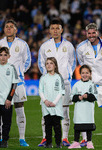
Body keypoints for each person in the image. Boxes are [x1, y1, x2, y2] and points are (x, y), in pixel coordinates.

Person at [76, 23, 102, 147]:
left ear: (97, 33)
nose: (91, 35)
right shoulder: (81, 47)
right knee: (85, 113)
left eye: (93, 33)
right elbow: (82, 67)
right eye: (89, 33)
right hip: (89, 85)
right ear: (86, 34)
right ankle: (84, 139)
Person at [0, 19, 31, 147]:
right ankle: (2, 139)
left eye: (11, 27)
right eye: (6, 27)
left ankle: (22, 138)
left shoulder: (23, 44)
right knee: (3, 111)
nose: (8, 28)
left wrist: (19, 72)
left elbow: (27, 61)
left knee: (20, 109)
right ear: (4, 29)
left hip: (18, 82)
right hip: (2, 84)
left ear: (16, 29)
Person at [38, 19, 76, 147]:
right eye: (52, 28)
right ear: (49, 30)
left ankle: (65, 138)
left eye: (57, 28)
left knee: (65, 111)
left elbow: (72, 62)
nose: (55, 30)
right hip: (48, 83)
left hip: (64, 82)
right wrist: (48, 76)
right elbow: (41, 63)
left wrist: (67, 76)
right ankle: (45, 138)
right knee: (46, 111)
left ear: (61, 30)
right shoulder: (44, 46)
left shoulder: (69, 46)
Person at [0, 47, 19, 148]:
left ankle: (5, 141)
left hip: (7, 101)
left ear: (9, 56)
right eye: (1, 55)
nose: (3, 57)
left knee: (6, 123)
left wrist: (9, 99)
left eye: (5, 55)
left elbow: (14, 84)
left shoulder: (11, 67)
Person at [68, 65, 97, 149]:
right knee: (77, 126)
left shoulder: (92, 84)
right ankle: (76, 142)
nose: (85, 75)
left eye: (87, 73)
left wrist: (87, 96)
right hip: (79, 110)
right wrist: (78, 97)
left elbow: (95, 96)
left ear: (90, 74)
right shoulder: (77, 84)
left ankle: (89, 142)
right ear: (80, 74)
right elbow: (72, 96)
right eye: (83, 73)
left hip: (88, 110)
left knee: (88, 126)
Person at [39, 57, 65, 148]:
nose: (49, 65)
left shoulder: (59, 77)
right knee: (48, 126)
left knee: (57, 126)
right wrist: (45, 101)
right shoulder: (43, 77)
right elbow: (40, 90)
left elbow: (61, 91)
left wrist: (54, 102)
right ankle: (48, 143)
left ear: (55, 65)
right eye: (47, 63)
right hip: (46, 106)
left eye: (51, 63)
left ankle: (58, 143)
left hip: (56, 105)